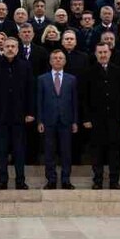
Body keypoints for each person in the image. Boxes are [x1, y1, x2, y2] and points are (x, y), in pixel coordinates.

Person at [0, 38, 36, 190]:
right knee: (1, 151)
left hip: (20, 116)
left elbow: (30, 91)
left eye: (13, 46)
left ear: (18, 49)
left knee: (19, 150)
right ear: (3, 48)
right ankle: (2, 181)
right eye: (8, 46)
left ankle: (20, 181)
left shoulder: (25, 66)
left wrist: (30, 112)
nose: (10, 49)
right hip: (1, 115)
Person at [81, 43, 120, 190]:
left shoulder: (119, 71)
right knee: (97, 152)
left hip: (115, 119)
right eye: (100, 52)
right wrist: (86, 118)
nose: (103, 55)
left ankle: (114, 181)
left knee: (115, 152)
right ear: (95, 54)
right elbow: (84, 98)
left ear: (110, 53)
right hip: (96, 120)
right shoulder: (89, 72)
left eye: (105, 52)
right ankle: (98, 180)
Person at [37, 49, 78, 190]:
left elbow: (74, 101)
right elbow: (39, 101)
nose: (58, 60)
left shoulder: (71, 79)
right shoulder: (42, 79)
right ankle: (51, 180)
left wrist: (75, 121)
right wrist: (40, 120)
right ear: (50, 61)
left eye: (61, 58)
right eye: (55, 58)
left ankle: (66, 180)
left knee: (66, 152)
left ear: (65, 61)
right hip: (48, 120)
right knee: (49, 152)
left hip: (66, 120)